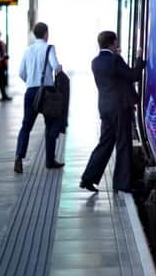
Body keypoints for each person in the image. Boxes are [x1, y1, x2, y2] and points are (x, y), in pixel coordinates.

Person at [80, 31, 145, 193]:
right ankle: (122, 184)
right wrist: (139, 58)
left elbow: (114, 79)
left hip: (105, 107)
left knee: (105, 143)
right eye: (116, 42)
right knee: (123, 144)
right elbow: (134, 76)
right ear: (112, 43)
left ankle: (88, 178)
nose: (117, 44)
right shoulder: (115, 60)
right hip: (120, 107)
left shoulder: (95, 62)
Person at [14, 22, 64, 174]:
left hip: (31, 92)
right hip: (47, 92)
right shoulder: (49, 48)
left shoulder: (28, 50)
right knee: (50, 125)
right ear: (46, 33)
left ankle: (18, 157)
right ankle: (49, 160)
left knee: (26, 126)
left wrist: (32, 82)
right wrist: (59, 68)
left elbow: (21, 73)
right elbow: (55, 67)